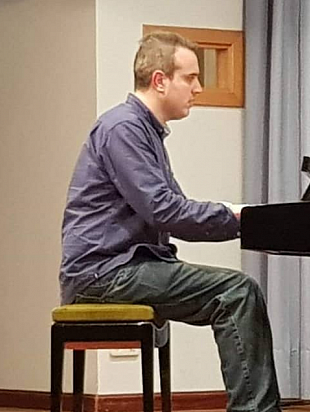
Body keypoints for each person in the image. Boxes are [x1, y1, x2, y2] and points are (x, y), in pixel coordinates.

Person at [59, 31, 281, 412]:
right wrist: (238, 218)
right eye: (190, 78)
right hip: (103, 273)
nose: (198, 87)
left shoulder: (142, 130)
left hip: (123, 266)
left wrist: (233, 217)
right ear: (160, 81)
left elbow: (171, 207)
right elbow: (165, 211)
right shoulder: (123, 129)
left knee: (234, 291)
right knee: (236, 292)